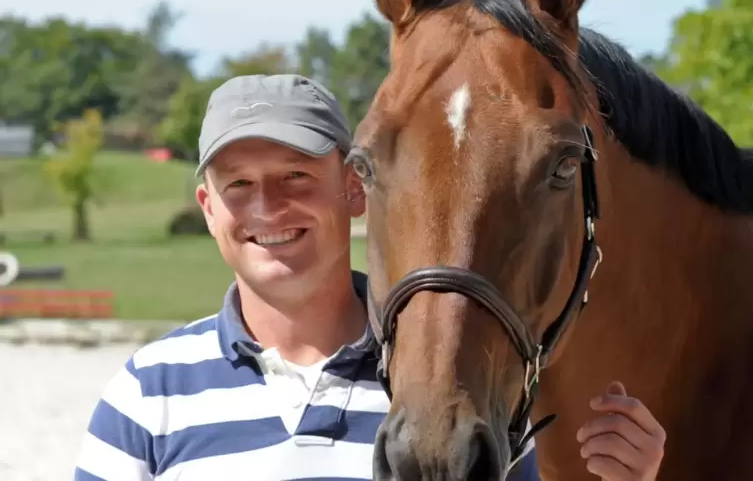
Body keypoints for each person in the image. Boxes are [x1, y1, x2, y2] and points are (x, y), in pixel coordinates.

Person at [74, 74, 665, 481]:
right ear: (208, 208)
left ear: (355, 188)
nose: (268, 209)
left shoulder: (453, 383)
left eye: (296, 177)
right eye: (239, 186)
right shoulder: (149, 392)